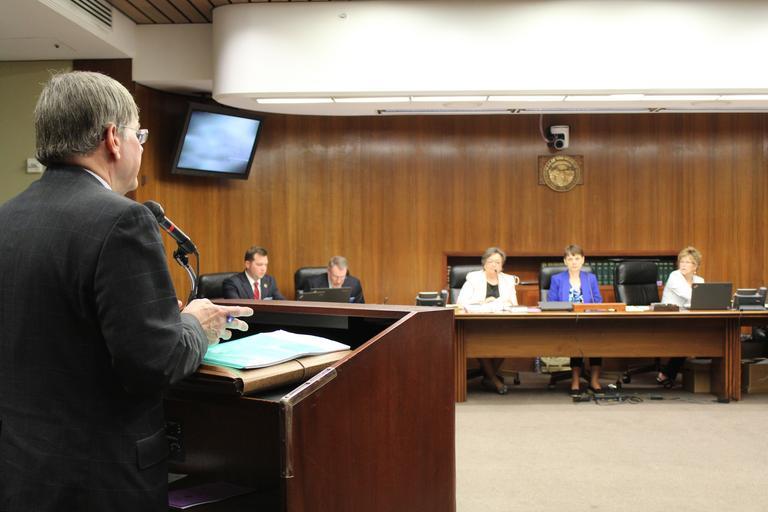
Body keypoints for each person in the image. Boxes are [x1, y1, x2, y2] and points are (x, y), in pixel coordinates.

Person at [0, 71, 253, 512]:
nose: (142, 145)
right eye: (141, 134)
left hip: (22, 472)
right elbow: (156, 365)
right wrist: (195, 324)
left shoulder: (8, 217)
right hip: (100, 481)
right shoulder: (123, 220)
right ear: (113, 138)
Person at [456, 247, 518, 394]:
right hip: (477, 324)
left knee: (509, 342)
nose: (494, 265)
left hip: (502, 323)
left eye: (498, 262)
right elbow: (461, 303)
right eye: (490, 261)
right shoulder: (473, 278)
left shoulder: (508, 280)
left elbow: (514, 304)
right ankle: (494, 380)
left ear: (502, 265)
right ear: (484, 263)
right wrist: (484, 302)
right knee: (479, 342)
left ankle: (488, 376)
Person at [547, 244, 604, 396]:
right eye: (570, 259)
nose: (574, 262)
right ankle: (575, 380)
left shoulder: (590, 278)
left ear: (583, 260)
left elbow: (598, 300)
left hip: (588, 320)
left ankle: (594, 380)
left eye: (577, 258)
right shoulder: (557, 279)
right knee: (576, 337)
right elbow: (551, 303)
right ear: (565, 261)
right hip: (566, 321)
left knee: (596, 338)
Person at [657, 246, 705, 387]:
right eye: (682, 261)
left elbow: (701, 300)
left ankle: (704, 376)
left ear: (695, 266)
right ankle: (668, 373)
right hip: (669, 318)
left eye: (688, 262)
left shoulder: (699, 280)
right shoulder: (674, 276)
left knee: (708, 333)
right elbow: (690, 296)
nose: (683, 265)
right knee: (688, 337)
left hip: (688, 319)